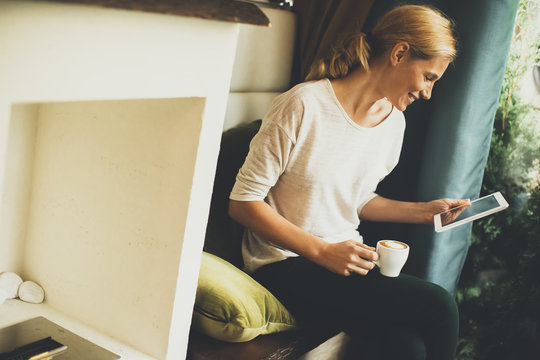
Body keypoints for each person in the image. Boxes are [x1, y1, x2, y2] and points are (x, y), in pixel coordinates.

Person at [229, 4, 469, 360]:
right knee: (438, 305)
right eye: (429, 77)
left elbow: (355, 199)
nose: (427, 93)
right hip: (284, 263)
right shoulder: (303, 106)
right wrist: (321, 251)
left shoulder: (393, 124)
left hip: (344, 263)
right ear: (400, 53)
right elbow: (243, 203)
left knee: (407, 348)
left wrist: (424, 213)